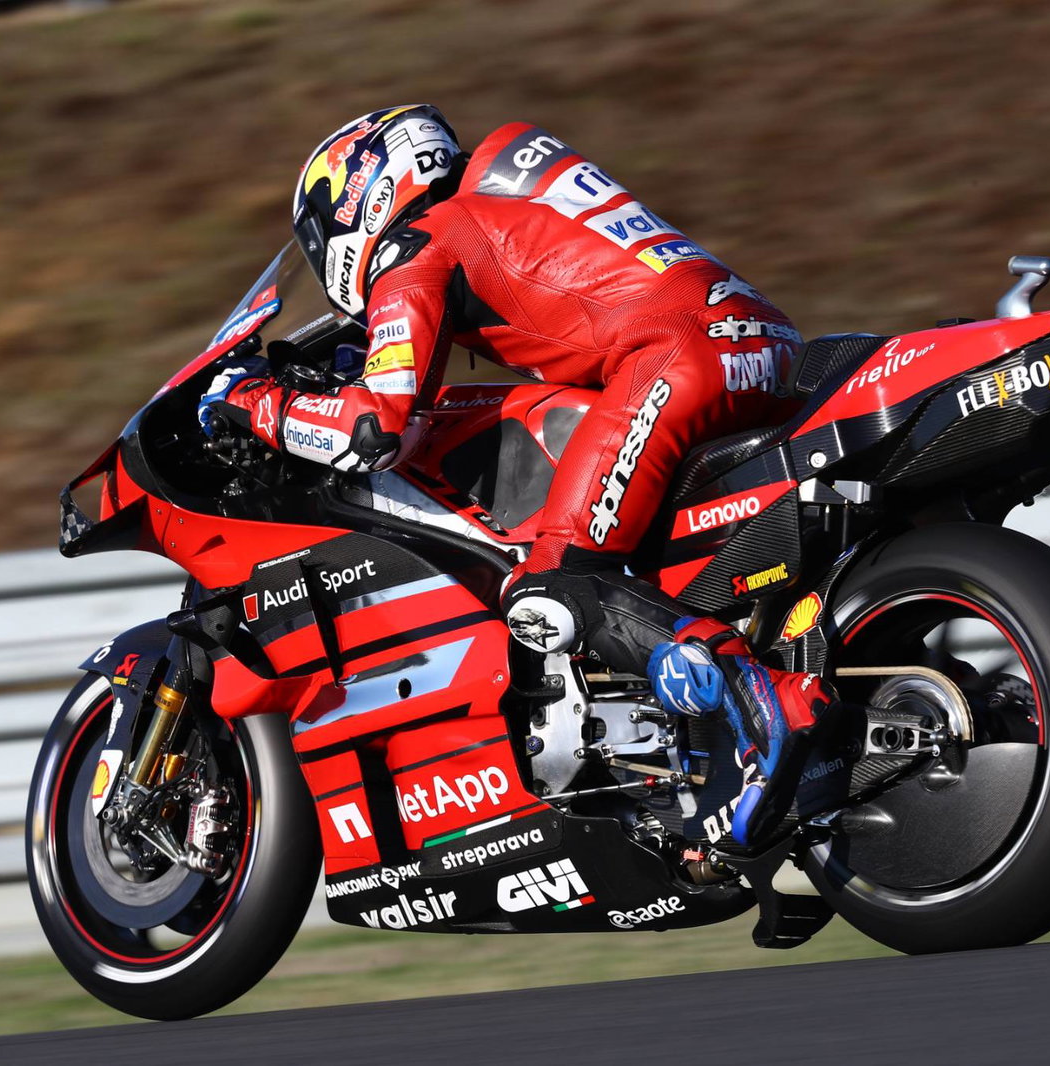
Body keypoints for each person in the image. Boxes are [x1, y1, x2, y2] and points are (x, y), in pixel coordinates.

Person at [198, 105, 834, 849]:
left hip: (673, 359)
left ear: (359, 194)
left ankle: (761, 706)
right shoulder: (501, 203)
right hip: (760, 342)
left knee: (553, 585)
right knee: (640, 560)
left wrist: (253, 403)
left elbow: (376, 429)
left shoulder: (419, 245)